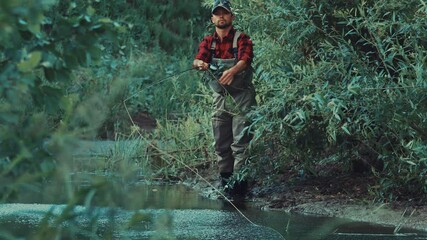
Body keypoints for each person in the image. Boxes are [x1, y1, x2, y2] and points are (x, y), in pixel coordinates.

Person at [192, 0, 256, 197]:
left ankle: (241, 188)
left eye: (225, 13)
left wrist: (233, 69)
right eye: (217, 13)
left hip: (242, 96)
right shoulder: (207, 42)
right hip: (220, 97)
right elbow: (197, 59)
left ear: (231, 17)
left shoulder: (242, 38)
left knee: (240, 143)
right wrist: (199, 63)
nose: (221, 16)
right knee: (221, 143)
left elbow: (246, 59)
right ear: (212, 18)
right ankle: (227, 185)